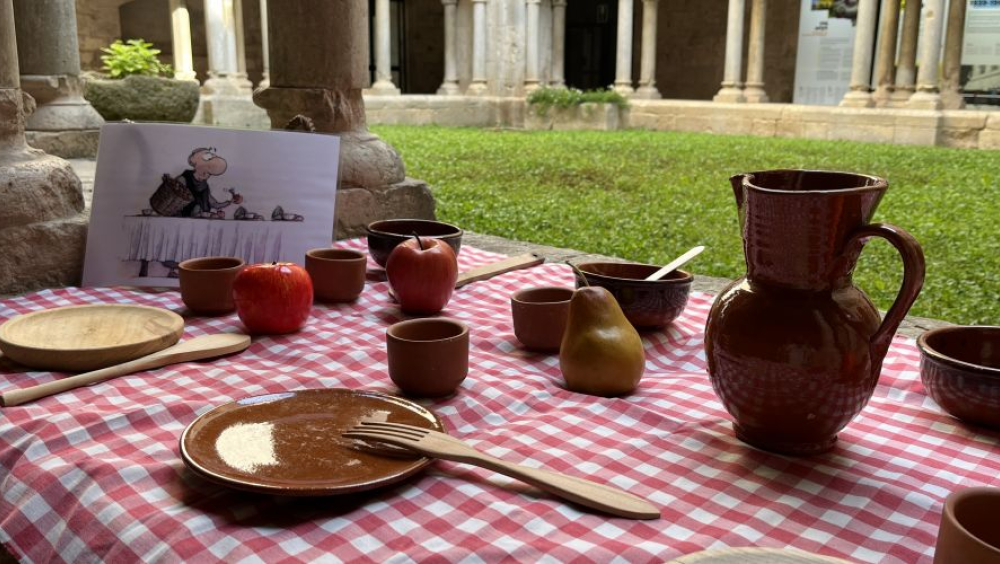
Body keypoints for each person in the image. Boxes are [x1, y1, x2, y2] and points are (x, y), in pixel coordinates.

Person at [177, 147, 237, 218]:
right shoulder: (184, 179)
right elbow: (175, 202)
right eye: (204, 170)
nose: (206, 175)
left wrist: (230, 202)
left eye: (209, 173)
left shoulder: (204, 186)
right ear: (197, 166)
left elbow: (214, 204)